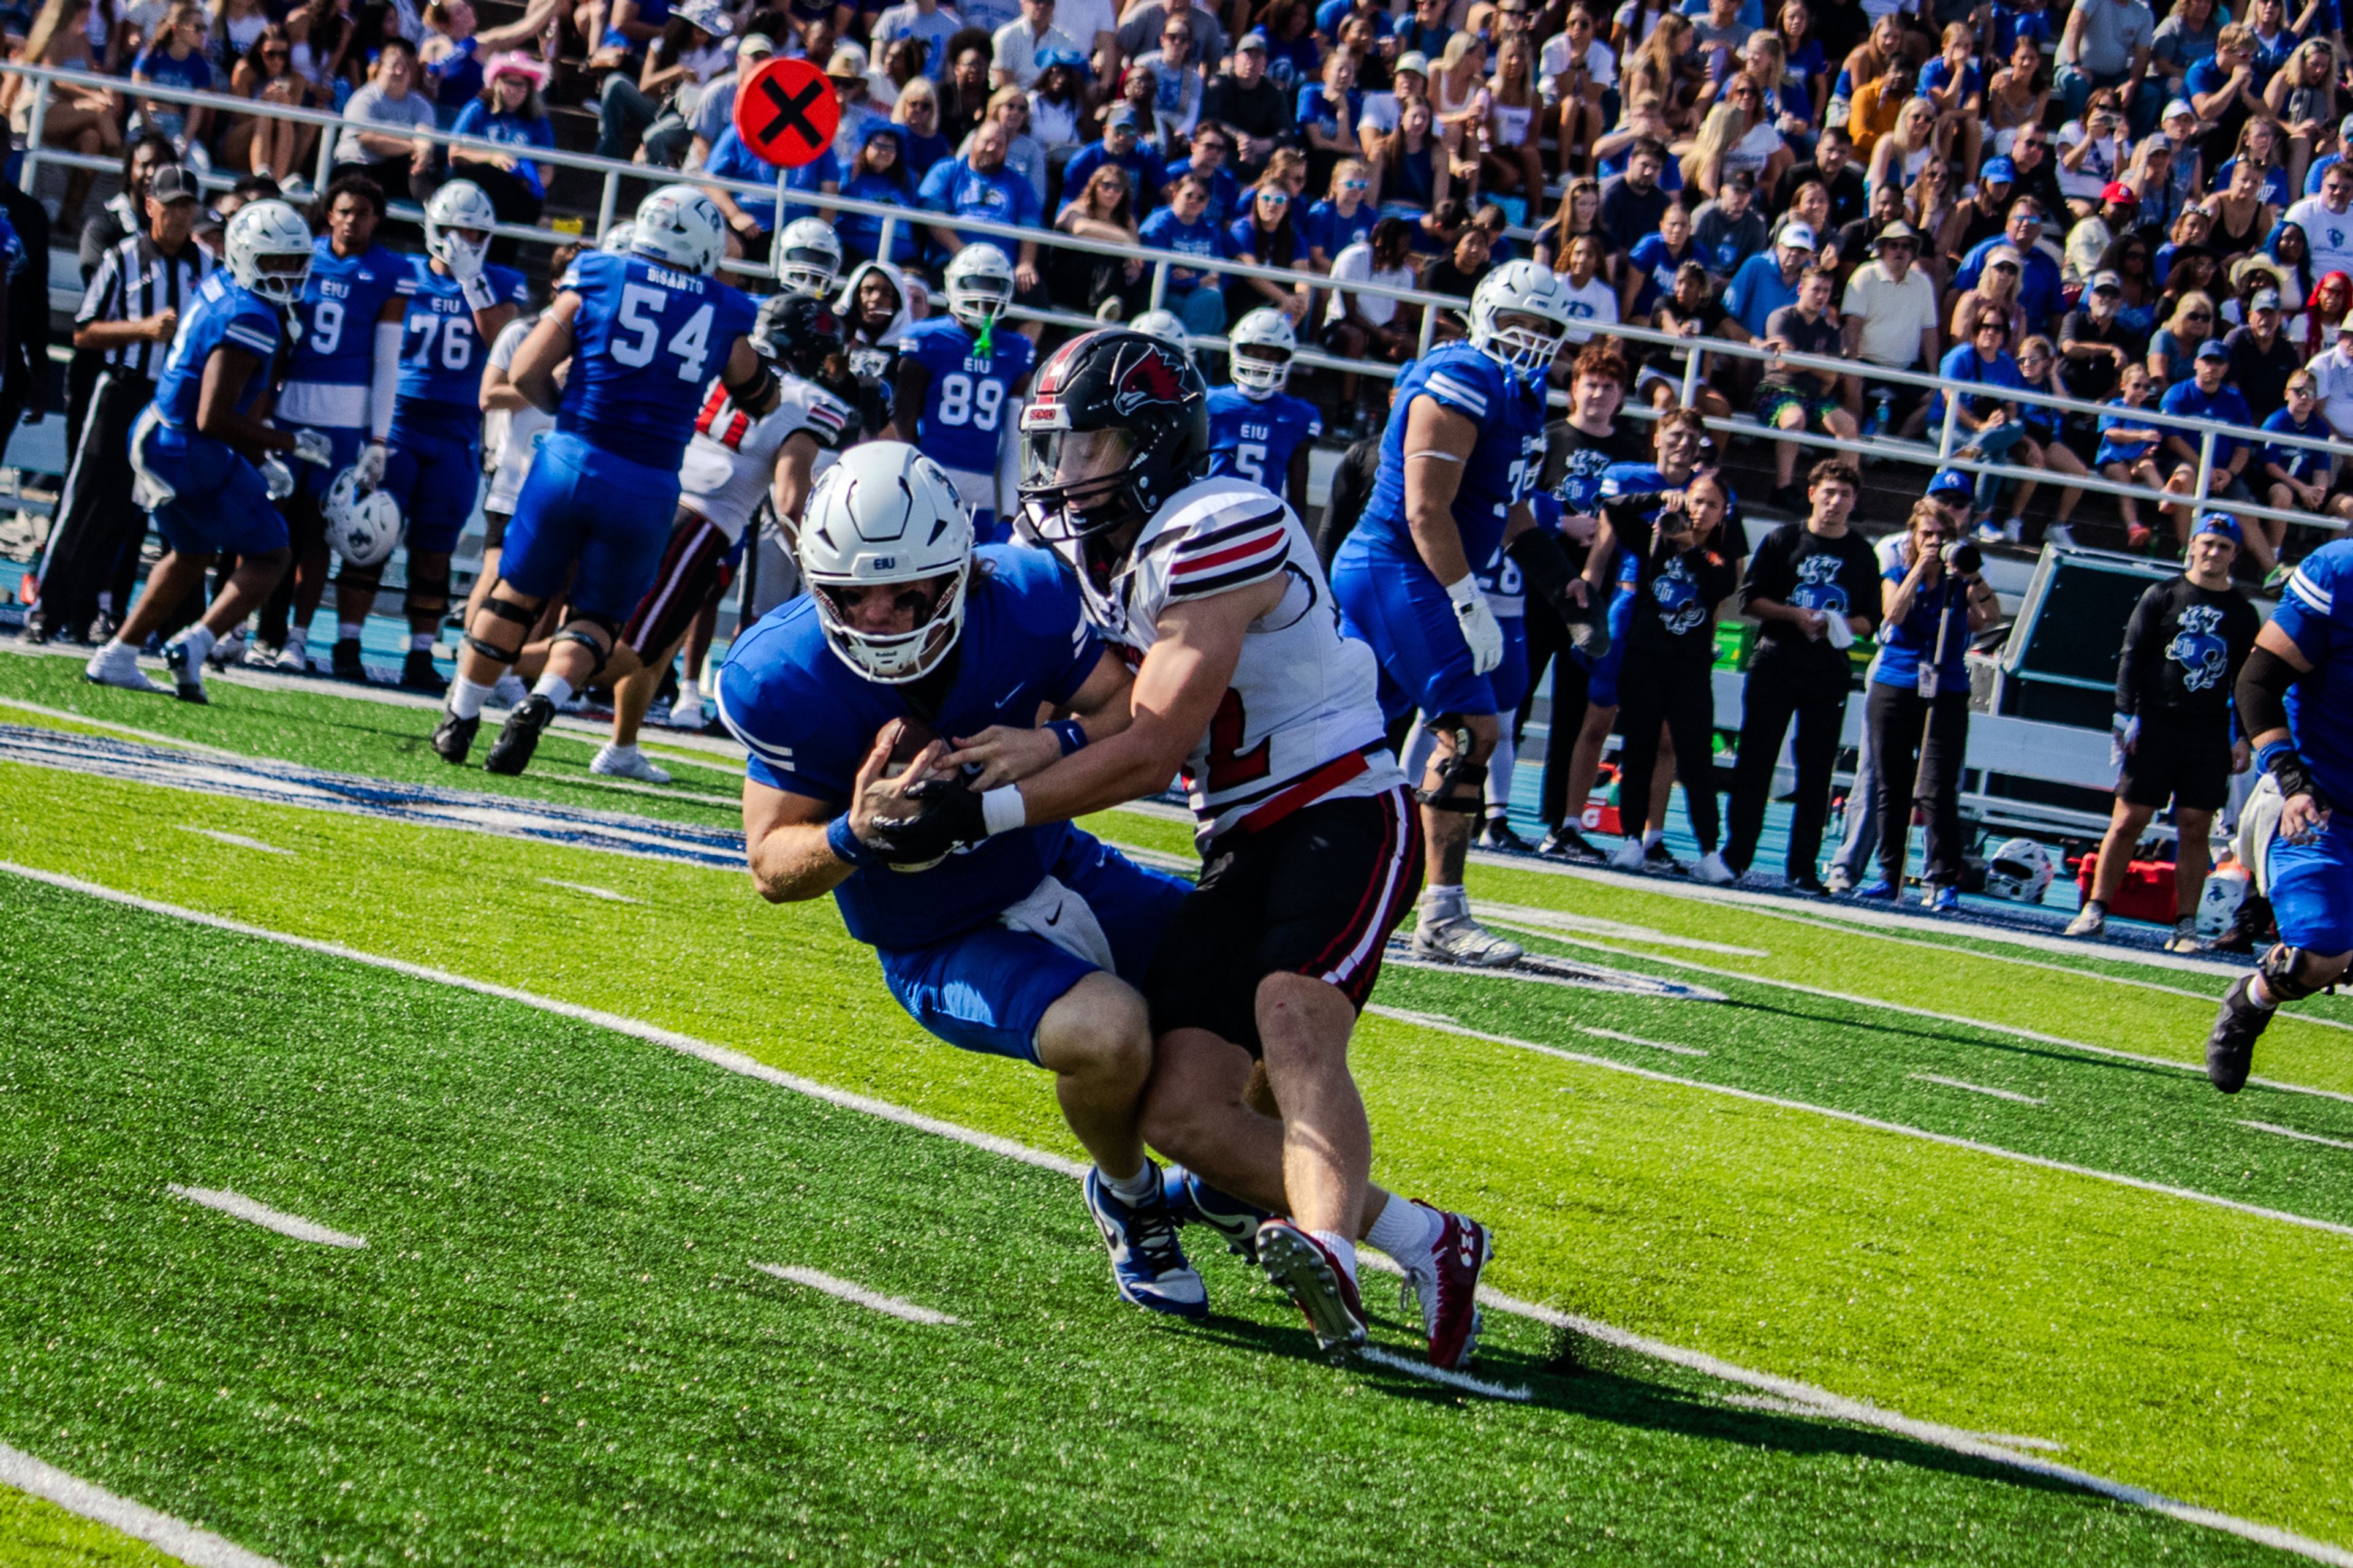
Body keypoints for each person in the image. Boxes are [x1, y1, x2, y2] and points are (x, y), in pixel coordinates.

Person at [904, 328, 1496, 1365]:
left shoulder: (1220, 521)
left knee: (1292, 1016)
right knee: (1180, 1107)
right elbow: (1089, 702)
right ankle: (1427, 1239)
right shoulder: (1087, 556)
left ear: (1155, 442)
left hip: (1339, 801)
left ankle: (1329, 1258)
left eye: (1088, 447)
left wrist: (995, 808)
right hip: (1236, 834)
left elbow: (1154, 740)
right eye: (1054, 448)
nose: (1063, 473)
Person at [718, 441, 1216, 1318]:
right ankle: (1131, 1192)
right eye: (851, 595)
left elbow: (1121, 711)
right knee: (1110, 1032)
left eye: (908, 590)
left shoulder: (1024, 597)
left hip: (1058, 861)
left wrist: (1050, 745)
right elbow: (770, 865)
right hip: (937, 934)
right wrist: (856, 831)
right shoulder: (782, 676)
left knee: (1259, 981)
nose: (880, 616)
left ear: (960, 570)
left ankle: (1221, 1181)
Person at [430, 184, 761, 775]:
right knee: (599, 618)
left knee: (514, 593)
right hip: (651, 480)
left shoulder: (599, 272)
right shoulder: (726, 305)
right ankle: (540, 704)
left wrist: (565, 409)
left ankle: (460, 716)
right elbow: (754, 391)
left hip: (571, 457)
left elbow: (527, 369)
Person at [1331, 262, 1598, 966]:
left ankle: (1310, 868)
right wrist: (1465, 598)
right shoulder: (1460, 376)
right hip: (1398, 566)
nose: (1531, 340)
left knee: (1351, 736)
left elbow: (1505, 505)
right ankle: (1443, 912)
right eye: (1519, 323)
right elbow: (1425, 507)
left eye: (1544, 329)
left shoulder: (1521, 395)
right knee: (1474, 728)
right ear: (1484, 315)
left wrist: (1557, 580)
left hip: (1423, 572)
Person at [83, 202, 332, 702]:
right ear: (245, 256)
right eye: (274, 261)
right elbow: (213, 417)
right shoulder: (253, 316)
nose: (287, 272)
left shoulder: (223, 285)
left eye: (294, 261)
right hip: (188, 446)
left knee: (192, 552)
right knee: (273, 553)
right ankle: (195, 643)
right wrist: (288, 444)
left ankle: (118, 653)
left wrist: (262, 457)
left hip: (160, 432)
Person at [337, 181, 525, 694]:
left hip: (458, 430)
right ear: (433, 230)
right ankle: (347, 641)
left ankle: (421, 653)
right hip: (398, 425)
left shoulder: (501, 283)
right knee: (368, 537)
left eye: (474, 232)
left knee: (434, 550)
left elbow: (504, 343)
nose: (464, 241)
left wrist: (473, 283)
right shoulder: (403, 275)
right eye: (455, 231)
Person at [27, 164, 203, 651]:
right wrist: (141, 329)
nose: (179, 216)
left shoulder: (207, 267)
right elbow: (84, 330)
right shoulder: (124, 257)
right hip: (123, 391)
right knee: (86, 502)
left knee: (143, 511)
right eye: (171, 207)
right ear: (150, 206)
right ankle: (48, 606)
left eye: (188, 207)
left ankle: (109, 613)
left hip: (173, 401)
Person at [2201, 536, 2353, 1092]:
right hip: (2320, 803)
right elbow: (2257, 680)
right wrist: (2292, 781)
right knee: (2321, 954)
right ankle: (2252, 1000)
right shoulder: (2342, 572)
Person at [2069, 512, 2258, 950]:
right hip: (2155, 723)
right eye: (2207, 543)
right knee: (2129, 819)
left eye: (2223, 546)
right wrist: (2123, 715)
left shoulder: (2243, 612)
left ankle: (2185, 924)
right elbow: (2132, 657)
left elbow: (2246, 680)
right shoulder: (2163, 595)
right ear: (2192, 545)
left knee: (2195, 826)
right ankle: (2095, 907)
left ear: (2235, 554)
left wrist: (2243, 735)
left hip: (2208, 731)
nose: (2213, 552)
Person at [271, 173, 412, 681]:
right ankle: (242, 628)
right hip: (290, 405)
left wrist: (378, 438)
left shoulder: (390, 271)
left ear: (378, 220)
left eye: (364, 213)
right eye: (345, 211)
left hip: (345, 420)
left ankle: (297, 635)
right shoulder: (299, 254)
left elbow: (388, 360)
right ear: (330, 213)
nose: (353, 221)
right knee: (267, 520)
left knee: (317, 534)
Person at [1724, 460, 1879, 890]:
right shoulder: (1783, 540)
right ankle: (1736, 855)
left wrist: (1840, 625)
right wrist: (1794, 615)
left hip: (1826, 672)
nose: (1835, 502)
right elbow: (1750, 599)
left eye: (1845, 495)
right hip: (1775, 662)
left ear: (1854, 501)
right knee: (1754, 761)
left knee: (1815, 773)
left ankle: (1803, 867)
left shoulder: (1861, 554)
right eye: (1828, 492)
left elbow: (1872, 617)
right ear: (1811, 493)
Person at [1528, 344, 1648, 860]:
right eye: (1592, 384)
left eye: (1610, 386)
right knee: (1514, 697)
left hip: (1595, 595)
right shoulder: (1548, 437)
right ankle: (1491, 811)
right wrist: (1560, 521)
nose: (1599, 394)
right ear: (1574, 386)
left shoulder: (1634, 452)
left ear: (1622, 396)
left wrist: (1602, 534)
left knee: (1574, 715)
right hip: (1542, 584)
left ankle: (1559, 822)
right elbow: (1516, 500)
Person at [1598, 468, 1741, 882]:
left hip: (1690, 666)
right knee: (1638, 748)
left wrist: (1689, 548)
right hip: (1645, 657)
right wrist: (1661, 498)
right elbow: (1612, 508)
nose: (1701, 511)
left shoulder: (1721, 550)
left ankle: (1709, 849)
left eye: (1712, 504)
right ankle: (1630, 838)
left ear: (1723, 513)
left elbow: (1719, 587)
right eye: (1696, 500)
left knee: (1696, 757)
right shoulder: (1654, 537)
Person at [1858, 506, 2000, 909]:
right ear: (1913, 537)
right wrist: (1920, 569)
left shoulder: (1959, 584)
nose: (1934, 543)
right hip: (1896, 681)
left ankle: (1942, 878)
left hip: (1947, 688)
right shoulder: (1898, 573)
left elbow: (1989, 617)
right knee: (1892, 783)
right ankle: (1889, 873)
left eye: (1941, 535)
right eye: (1926, 534)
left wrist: (1971, 575)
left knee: (1937, 787)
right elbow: (1894, 613)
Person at [885, 242, 1033, 542]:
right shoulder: (927, 338)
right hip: (929, 470)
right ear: (953, 284)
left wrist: (1009, 511)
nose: (985, 295)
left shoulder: (1016, 349)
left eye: (994, 286)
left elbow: (1016, 438)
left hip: (983, 482)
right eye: (976, 284)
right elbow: (904, 421)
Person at [1756, 265, 1855, 510]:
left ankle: (1849, 495)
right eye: (1816, 289)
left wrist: (1803, 360)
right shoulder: (1781, 317)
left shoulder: (1831, 329)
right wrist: (1818, 360)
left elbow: (1832, 376)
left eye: (1826, 291)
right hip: (1777, 391)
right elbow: (1784, 363)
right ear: (1801, 289)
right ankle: (1783, 489)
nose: (1821, 296)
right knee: (1794, 419)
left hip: (1815, 396)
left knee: (1848, 425)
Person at [1205, 307, 1320, 506]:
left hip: (1262, 522)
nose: (1261, 364)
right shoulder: (1209, 403)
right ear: (1238, 350)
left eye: (1271, 357)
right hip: (1211, 514)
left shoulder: (1298, 416)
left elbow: (1298, 497)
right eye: (1255, 353)